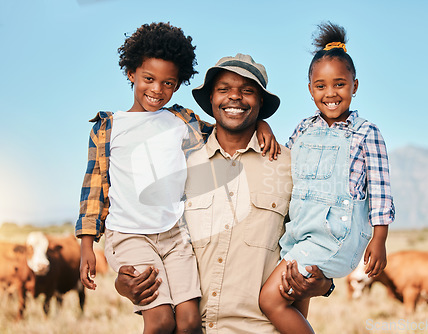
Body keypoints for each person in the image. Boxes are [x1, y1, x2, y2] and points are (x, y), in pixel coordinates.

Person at [75, 23, 277, 334]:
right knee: (159, 322)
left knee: (190, 321)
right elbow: (93, 187)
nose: (157, 90)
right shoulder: (108, 128)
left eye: (168, 83)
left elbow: (228, 125)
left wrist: (261, 124)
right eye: (149, 79)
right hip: (129, 234)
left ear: (178, 83)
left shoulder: (181, 121)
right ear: (131, 73)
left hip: (173, 235)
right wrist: (87, 244)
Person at [114, 53, 334, 333]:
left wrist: (323, 284)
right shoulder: (180, 165)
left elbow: (318, 239)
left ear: (261, 102)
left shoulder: (291, 167)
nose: (235, 98)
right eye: (224, 90)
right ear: (211, 101)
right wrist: (123, 283)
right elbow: (147, 232)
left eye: (247, 91)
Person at [259, 22, 396, 334]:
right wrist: (262, 127)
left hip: (334, 238)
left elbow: (381, 189)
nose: (330, 94)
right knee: (294, 303)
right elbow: (282, 164)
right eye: (321, 86)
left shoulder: (366, 133)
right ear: (310, 89)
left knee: (270, 301)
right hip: (301, 232)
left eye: (339, 84)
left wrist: (380, 238)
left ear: (354, 86)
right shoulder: (303, 129)